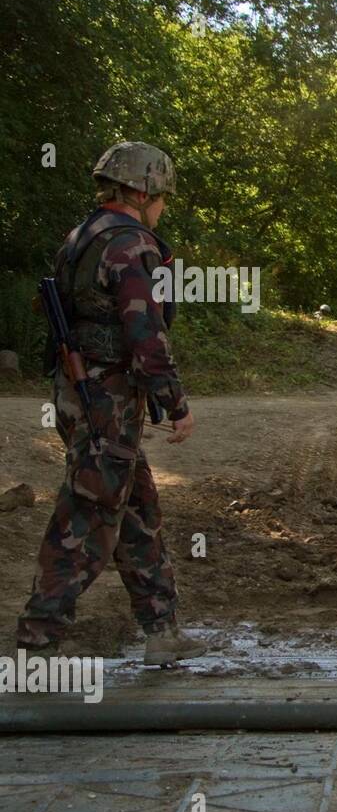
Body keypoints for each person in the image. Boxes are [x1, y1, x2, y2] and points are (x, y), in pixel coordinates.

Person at [16, 141, 204, 667]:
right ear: (142, 192)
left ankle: (161, 629)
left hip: (80, 395)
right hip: (108, 402)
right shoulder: (129, 244)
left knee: (138, 509)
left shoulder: (80, 238)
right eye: (162, 197)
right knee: (87, 517)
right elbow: (145, 333)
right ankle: (36, 644)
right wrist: (175, 402)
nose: (164, 207)